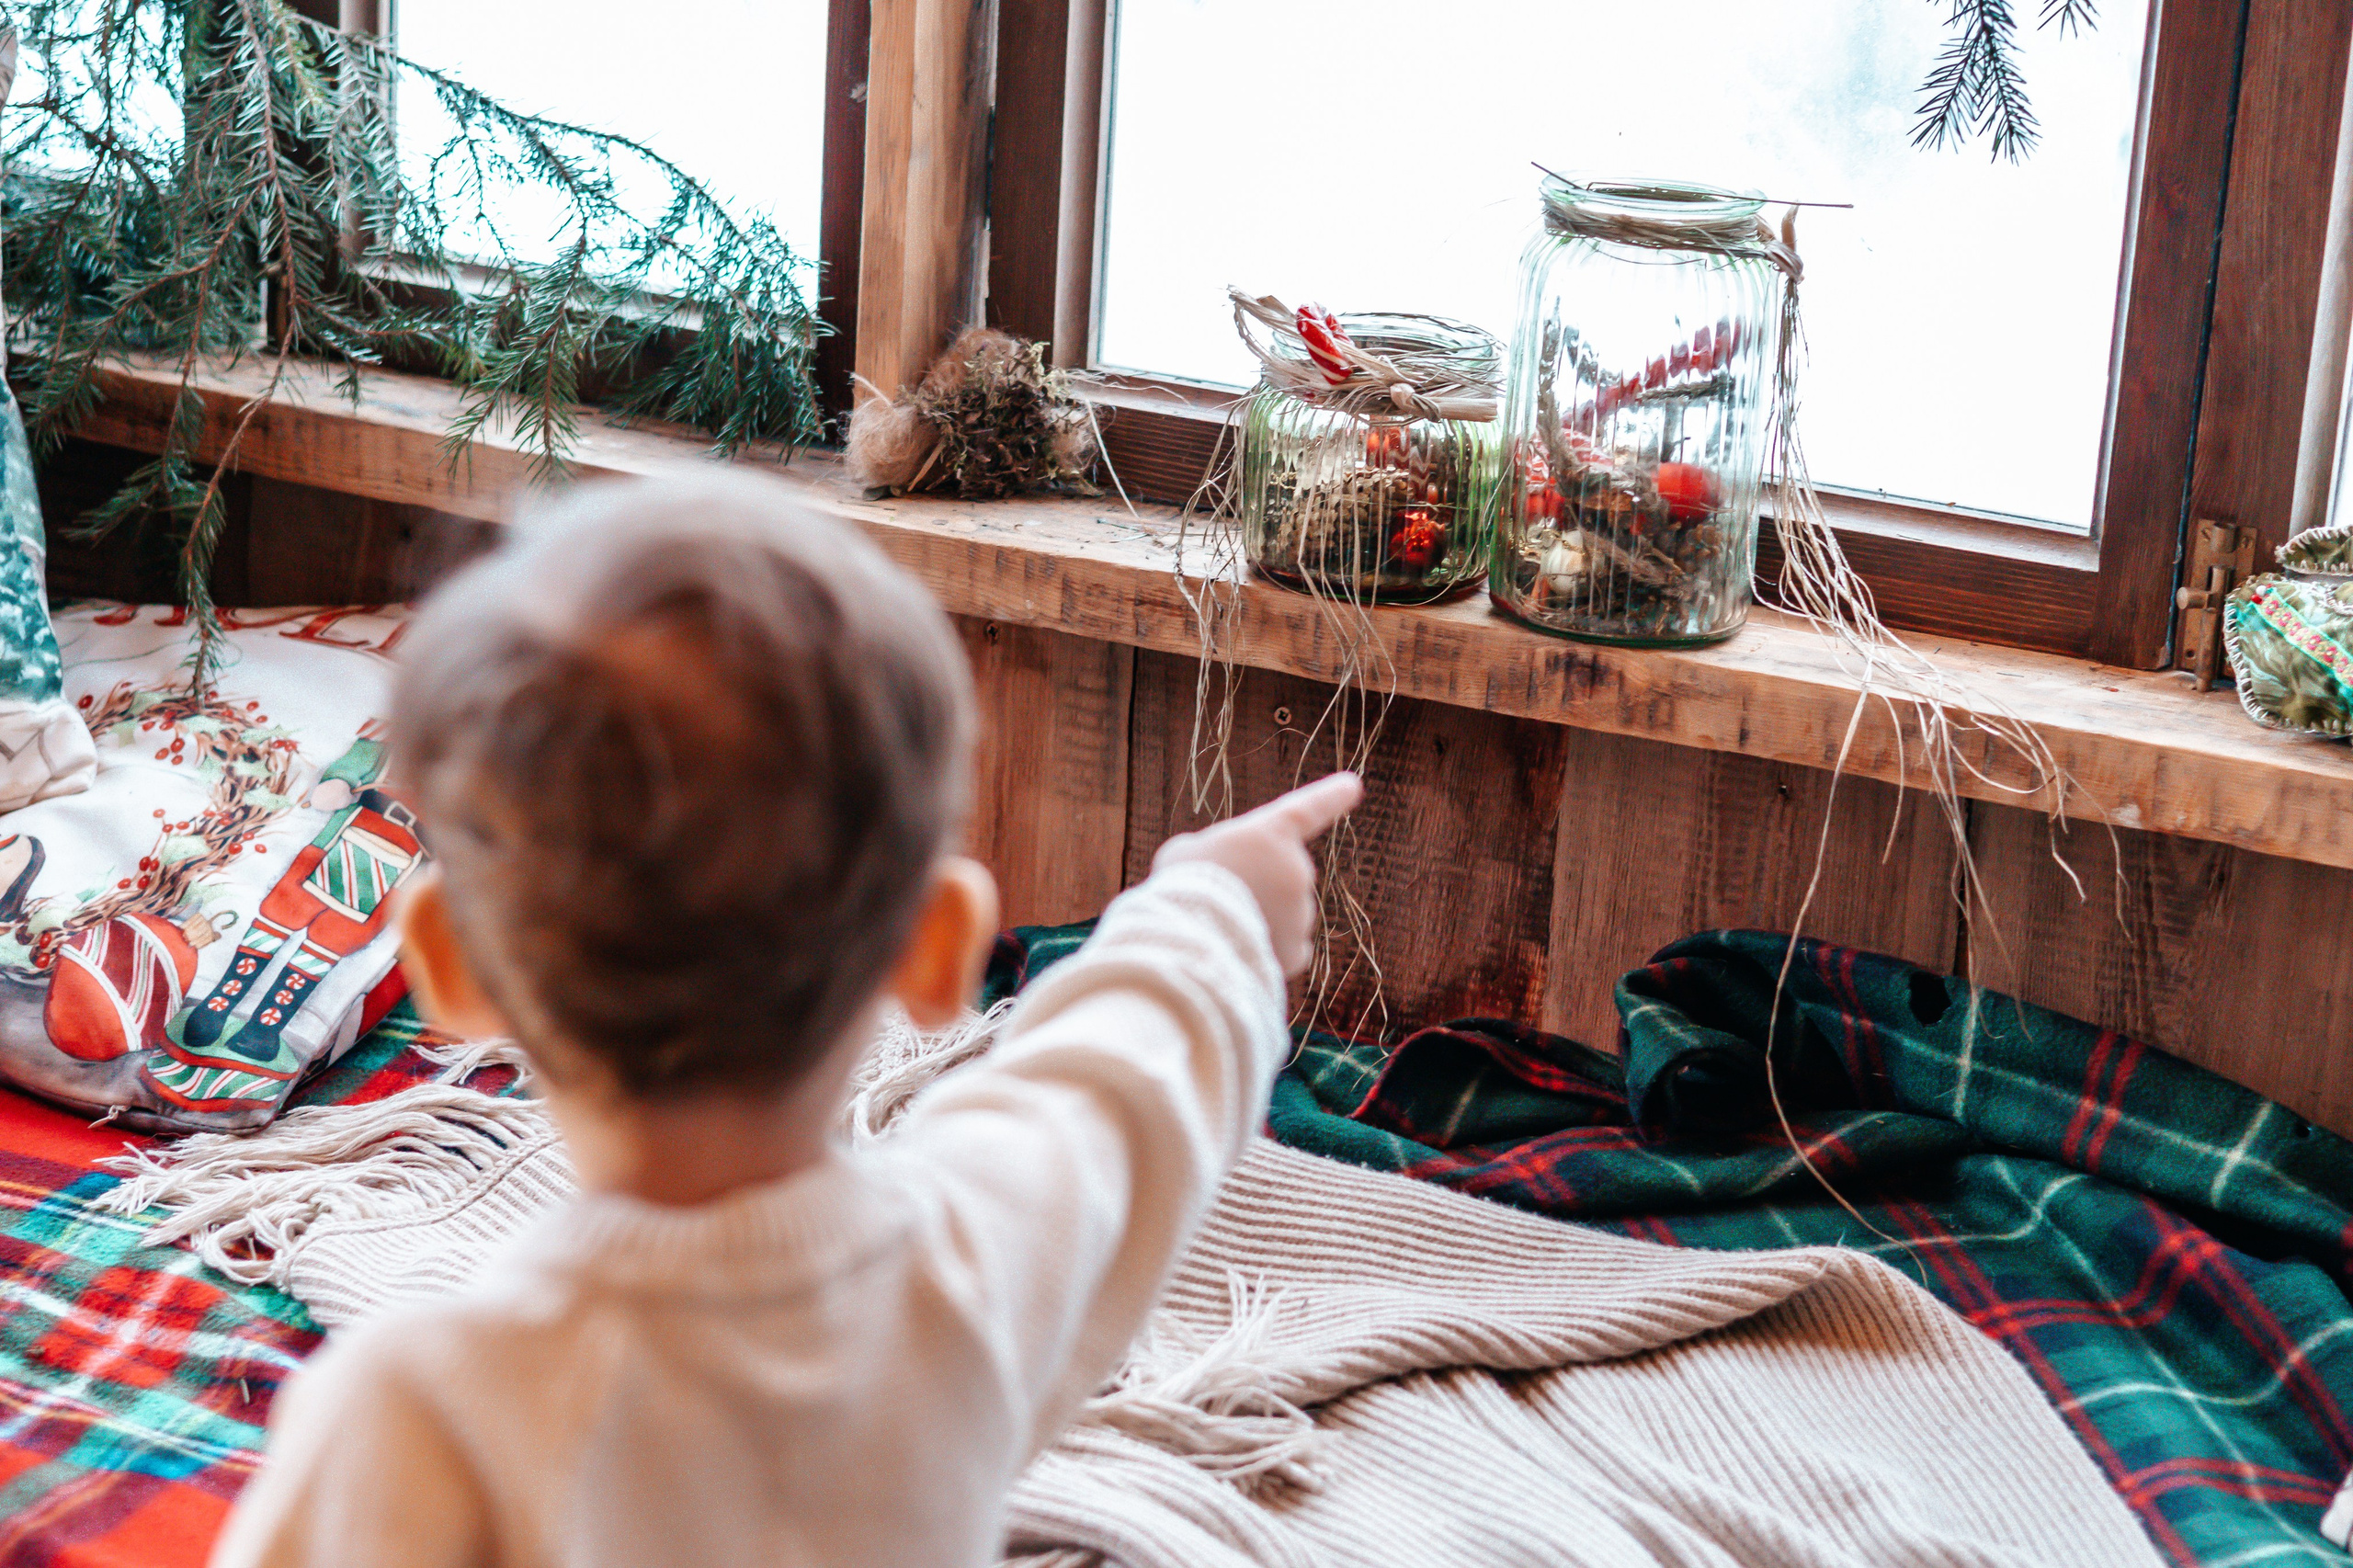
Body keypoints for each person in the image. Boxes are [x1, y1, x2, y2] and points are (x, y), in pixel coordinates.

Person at [209, 469, 1361, 1568]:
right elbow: (1111, 1091)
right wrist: (1217, 908)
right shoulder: (968, 1273)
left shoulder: (415, 1410)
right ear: (941, 949)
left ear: (448, 966)